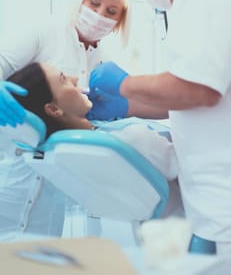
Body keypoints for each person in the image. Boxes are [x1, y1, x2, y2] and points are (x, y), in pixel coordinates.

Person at [87, 0, 231, 255]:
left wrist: (123, 84)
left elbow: (200, 90)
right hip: (212, 206)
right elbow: (194, 96)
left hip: (222, 203)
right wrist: (129, 108)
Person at [0, 62, 181, 240]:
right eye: (63, 79)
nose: (75, 78)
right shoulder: (129, 137)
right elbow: (180, 164)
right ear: (54, 109)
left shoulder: (64, 152)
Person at [0, 0, 131, 127]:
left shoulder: (106, 65)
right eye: (94, 3)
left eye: (111, 12)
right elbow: (3, 61)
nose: (99, 14)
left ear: (120, 21)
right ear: (80, 0)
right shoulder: (45, 31)